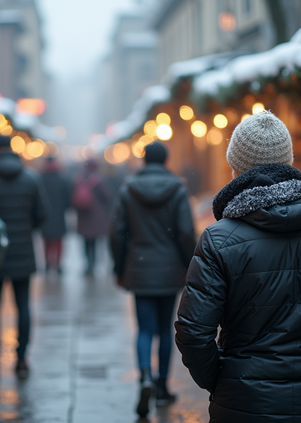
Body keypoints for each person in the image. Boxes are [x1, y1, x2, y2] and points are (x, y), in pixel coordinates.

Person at [174, 111, 301, 423]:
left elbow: (193, 332)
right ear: (289, 161)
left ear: (236, 167)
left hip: (243, 404)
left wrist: (222, 379)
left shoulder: (218, 239)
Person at [110, 142, 196, 418]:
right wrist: (189, 263)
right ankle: (162, 386)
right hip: (169, 268)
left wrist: (120, 266)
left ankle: (144, 376)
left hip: (140, 266)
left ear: (144, 160)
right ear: (166, 159)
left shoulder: (128, 189)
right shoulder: (178, 189)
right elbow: (185, 232)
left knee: (145, 329)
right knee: (164, 329)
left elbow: (117, 232)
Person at [0, 135, 48, 379]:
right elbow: (42, 214)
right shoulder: (30, 178)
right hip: (23, 253)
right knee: (23, 307)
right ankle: (21, 359)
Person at [73, 159, 112, 275]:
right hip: (96, 216)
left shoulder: (78, 179)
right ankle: (93, 264)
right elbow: (107, 196)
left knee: (85, 242)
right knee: (94, 242)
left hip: (83, 216)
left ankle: (87, 264)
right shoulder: (99, 180)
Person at [40, 156, 71, 274]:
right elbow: (67, 199)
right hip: (59, 215)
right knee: (58, 241)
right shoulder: (62, 178)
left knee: (46, 241)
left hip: (45, 215)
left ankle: (48, 264)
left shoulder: (40, 178)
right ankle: (57, 265)